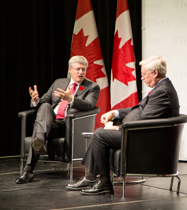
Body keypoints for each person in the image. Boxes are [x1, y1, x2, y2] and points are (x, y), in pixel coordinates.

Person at [66, 55, 180, 195]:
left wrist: (118, 128)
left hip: (144, 138)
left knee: (100, 134)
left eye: (144, 74)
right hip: (138, 133)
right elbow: (139, 109)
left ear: (155, 73)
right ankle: (96, 180)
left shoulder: (162, 91)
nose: (142, 78)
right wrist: (115, 113)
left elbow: (144, 119)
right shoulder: (161, 87)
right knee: (101, 133)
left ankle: (100, 182)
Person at [16, 56, 100, 183]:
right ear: (70, 69)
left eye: (83, 69)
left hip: (68, 125)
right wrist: (36, 100)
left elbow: (89, 105)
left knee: (39, 128)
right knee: (44, 106)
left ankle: (28, 170)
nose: (81, 72)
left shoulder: (92, 87)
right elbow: (44, 101)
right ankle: (40, 140)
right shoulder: (59, 82)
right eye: (77, 69)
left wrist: (70, 99)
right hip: (50, 122)